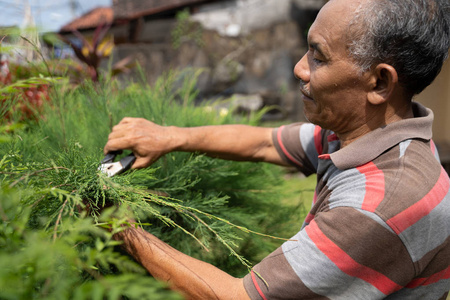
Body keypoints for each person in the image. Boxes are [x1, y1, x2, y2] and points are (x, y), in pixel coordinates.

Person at [104, 0, 450, 298]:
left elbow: (236, 298)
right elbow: (264, 142)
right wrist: (168, 136)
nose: (299, 68)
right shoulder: (367, 132)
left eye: (318, 57)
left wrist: (122, 229)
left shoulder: (378, 206)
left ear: (379, 82)